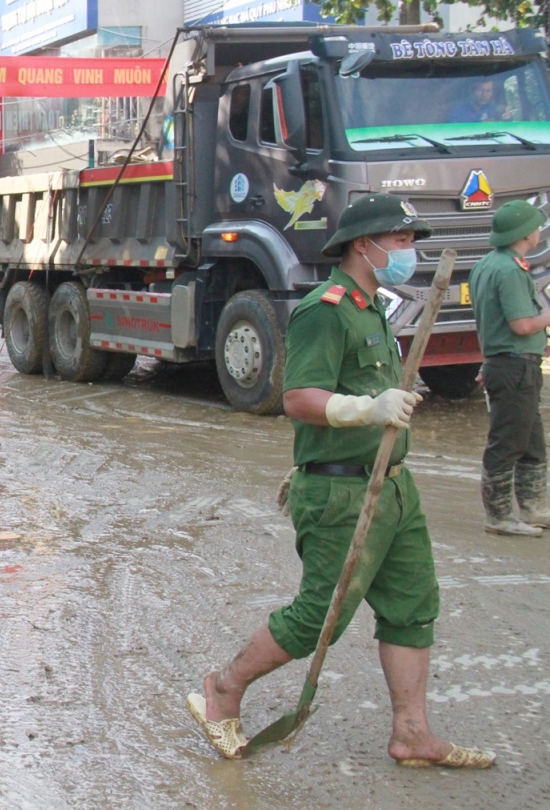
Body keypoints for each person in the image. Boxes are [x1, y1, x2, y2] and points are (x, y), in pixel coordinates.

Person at [187, 194, 494, 768]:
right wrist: (368, 409)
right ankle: (223, 689)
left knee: (412, 607)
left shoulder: (371, 306)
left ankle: (412, 732)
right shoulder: (324, 309)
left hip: (392, 485)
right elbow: (299, 398)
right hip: (340, 491)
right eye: (402, 241)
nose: (410, 252)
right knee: (316, 618)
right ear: (364, 244)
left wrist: (390, 406)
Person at [468, 199, 550, 536]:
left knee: (531, 442)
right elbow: (521, 325)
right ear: (527, 233)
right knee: (507, 441)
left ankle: (533, 508)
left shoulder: (487, 264)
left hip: (508, 364)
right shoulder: (510, 270)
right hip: (515, 365)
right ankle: (499, 516)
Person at [447, 78, 511, 124]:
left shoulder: (494, 109)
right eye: (480, 90)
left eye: (488, 91)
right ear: (472, 91)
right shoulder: (458, 110)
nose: (484, 94)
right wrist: (481, 123)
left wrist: (507, 118)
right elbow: (453, 130)